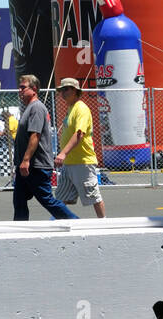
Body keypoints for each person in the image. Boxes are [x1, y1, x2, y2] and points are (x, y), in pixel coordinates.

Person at [13, 74, 78, 221]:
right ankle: (19, 230)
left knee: (47, 199)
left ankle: (75, 222)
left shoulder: (36, 108)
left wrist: (26, 160)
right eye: (19, 87)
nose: (20, 90)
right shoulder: (29, 108)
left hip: (36, 165)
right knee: (19, 200)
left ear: (34, 89)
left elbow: (35, 135)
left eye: (23, 87)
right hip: (26, 166)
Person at [53, 78, 106, 219]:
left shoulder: (81, 108)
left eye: (66, 89)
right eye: (61, 90)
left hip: (82, 161)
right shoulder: (70, 109)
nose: (62, 93)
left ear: (75, 91)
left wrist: (63, 153)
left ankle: (104, 224)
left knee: (93, 196)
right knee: (61, 198)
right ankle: (58, 222)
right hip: (69, 163)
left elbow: (79, 134)